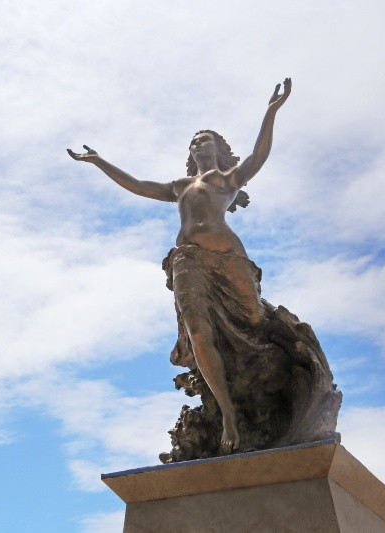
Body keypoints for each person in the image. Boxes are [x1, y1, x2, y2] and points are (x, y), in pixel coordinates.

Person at [68, 78, 292, 454]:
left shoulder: (227, 178)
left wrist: (271, 111)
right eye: (193, 140)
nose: (197, 143)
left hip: (229, 259)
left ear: (219, 149)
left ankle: (275, 384)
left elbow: (259, 155)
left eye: (204, 138)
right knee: (198, 329)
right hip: (187, 260)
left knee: (255, 323)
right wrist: (98, 161)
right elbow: (138, 185)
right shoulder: (179, 185)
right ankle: (228, 416)